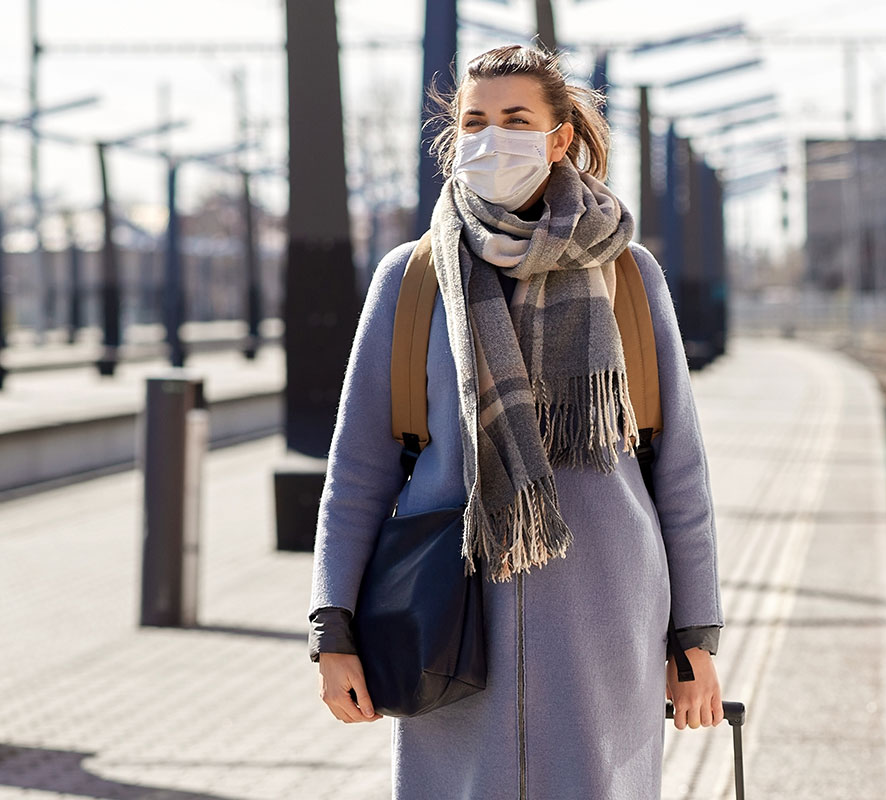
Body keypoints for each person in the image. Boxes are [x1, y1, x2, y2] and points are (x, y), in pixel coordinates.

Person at [305, 44, 726, 799]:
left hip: (607, 614)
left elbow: (680, 471)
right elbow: (358, 473)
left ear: (559, 137)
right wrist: (332, 628)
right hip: (450, 617)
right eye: (475, 121)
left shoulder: (629, 276)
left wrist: (694, 637)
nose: (491, 138)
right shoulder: (412, 280)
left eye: (515, 119)